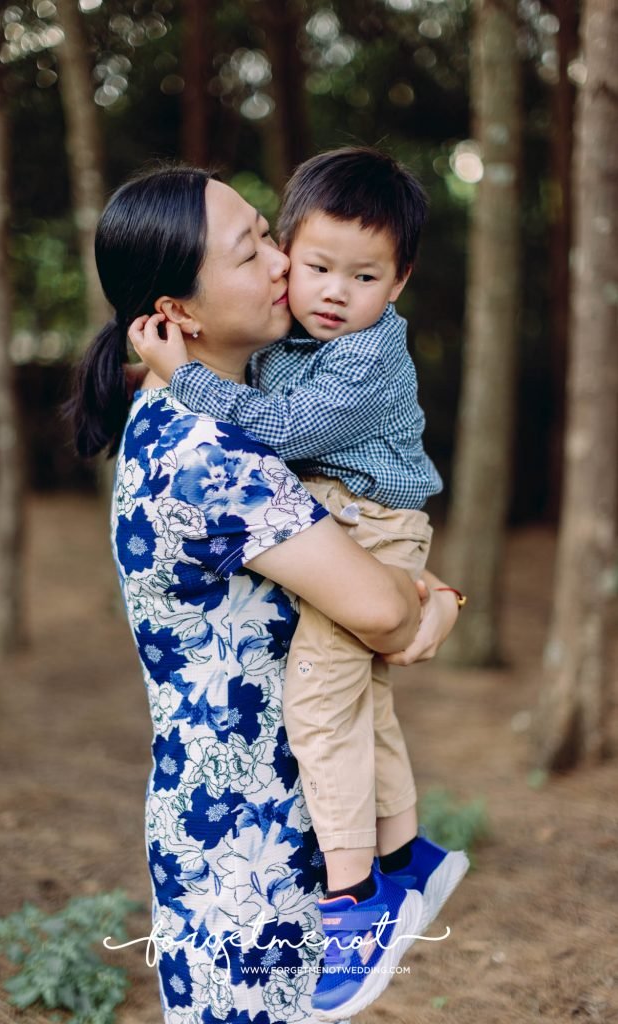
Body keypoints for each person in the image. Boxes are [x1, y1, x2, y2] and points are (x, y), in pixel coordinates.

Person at [70, 164, 460, 1024]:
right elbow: (386, 613)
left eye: (266, 232)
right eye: (252, 252)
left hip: (252, 819)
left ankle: (395, 868)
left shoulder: (206, 409)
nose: (285, 265)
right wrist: (432, 604)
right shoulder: (212, 450)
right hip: (244, 841)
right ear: (179, 314)